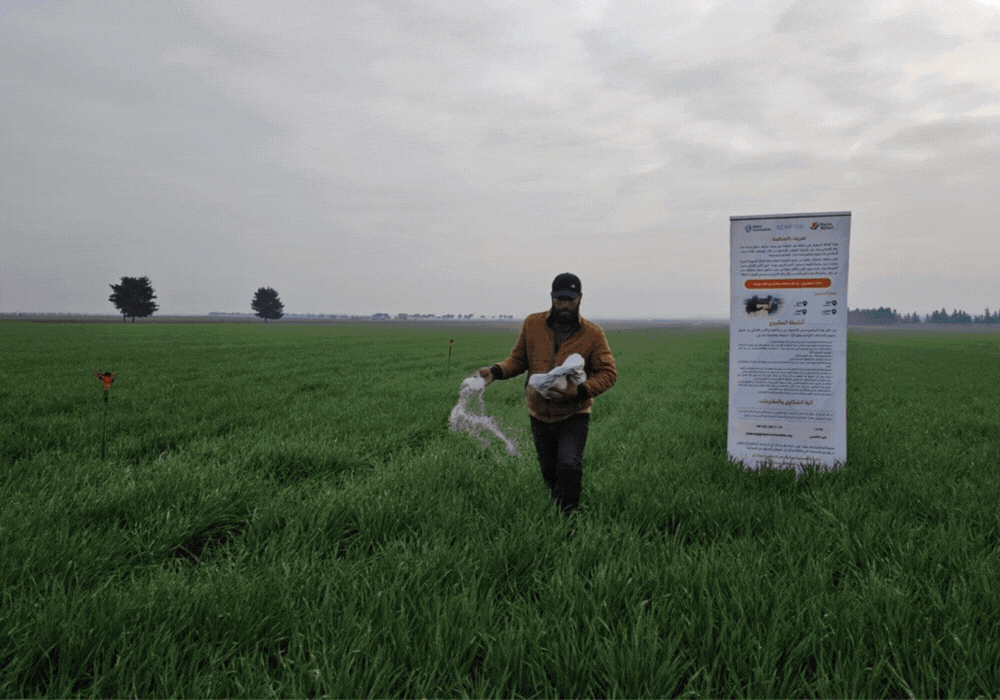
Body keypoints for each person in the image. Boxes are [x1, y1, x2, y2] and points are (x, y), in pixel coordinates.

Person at [478, 272, 617, 521]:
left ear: (580, 298)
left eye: (570, 299)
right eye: (559, 299)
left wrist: (579, 391)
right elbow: (518, 360)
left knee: (569, 464)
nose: (564, 305)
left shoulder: (593, 334)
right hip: (539, 413)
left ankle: (569, 520)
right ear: (552, 297)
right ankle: (557, 506)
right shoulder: (533, 324)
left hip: (574, 413)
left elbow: (608, 373)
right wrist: (495, 372)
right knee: (549, 471)